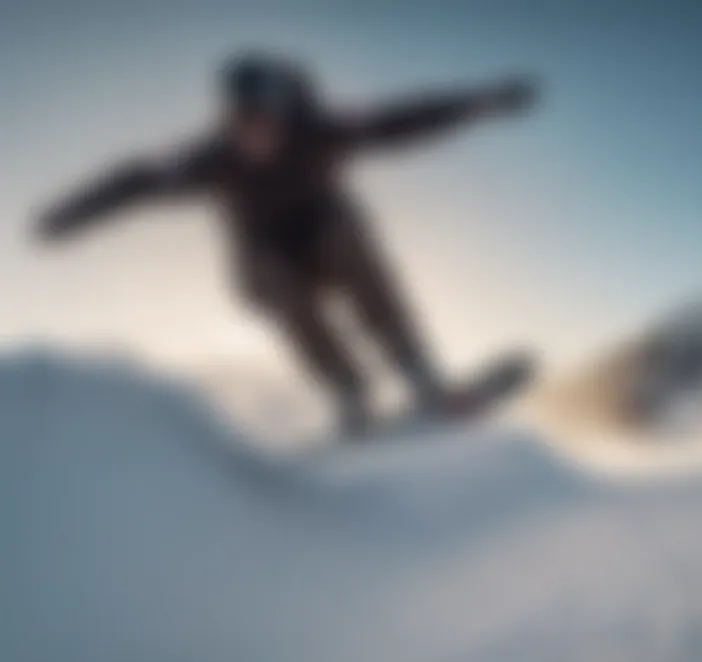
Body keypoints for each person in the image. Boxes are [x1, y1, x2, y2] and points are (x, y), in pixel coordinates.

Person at [36, 53, 539, 435]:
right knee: (268, 277)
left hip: (331, 246)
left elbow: (399, 121)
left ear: (287, 113)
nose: (256, 137)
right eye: (243, 123)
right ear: (229, 122)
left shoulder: (321, 131)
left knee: (346, 236)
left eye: (265, 122)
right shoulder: (212, 158)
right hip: (273, 265)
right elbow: (138, 178)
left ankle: (417, 372)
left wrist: (479, 103)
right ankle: (349, 391)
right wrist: (71, 215)